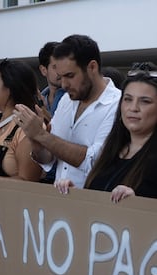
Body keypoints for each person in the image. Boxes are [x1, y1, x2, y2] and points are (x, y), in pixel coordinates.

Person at [14, 34, 121, 188]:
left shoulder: (117, 104)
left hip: (94, 205)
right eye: (61, 77)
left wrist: (41, 135)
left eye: (70, 76)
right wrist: (34, 139)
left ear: (92, 67)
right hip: (61, 203)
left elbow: (94, 161)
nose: (64, 84)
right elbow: (49, 158)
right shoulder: (66, 100)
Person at [54, 62, 157, 202]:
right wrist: (76, 194)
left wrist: (138, 204)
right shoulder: (112, 149)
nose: (133, 108)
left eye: (145, 101)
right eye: (128, 99)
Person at [38, 41, 66, 183]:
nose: (61, 72)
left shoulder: (72, 98)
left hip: (64, 177)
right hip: (43, 172)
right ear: (44, 70)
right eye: (55, 67)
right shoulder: (40, 97)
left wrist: (45, 114)